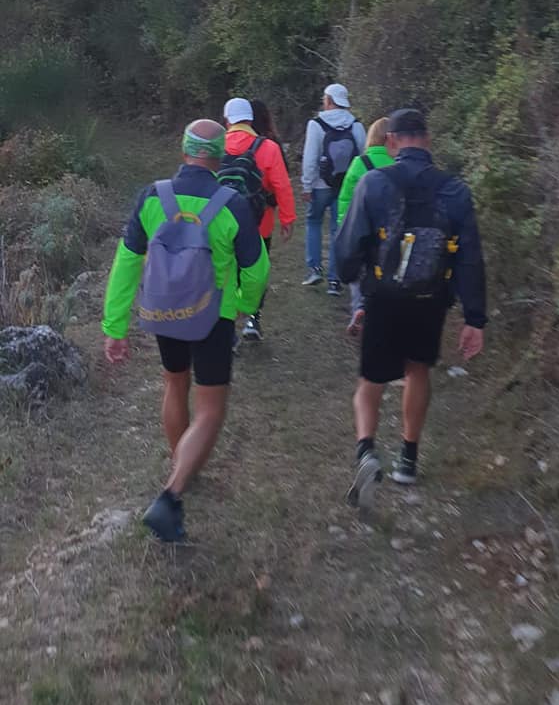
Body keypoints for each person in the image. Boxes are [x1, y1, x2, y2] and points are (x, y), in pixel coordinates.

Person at [102, 118, 269, 543]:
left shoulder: (151, 197)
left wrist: (115, 326)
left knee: (174, 385)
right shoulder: (232, 203)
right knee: (211, 410)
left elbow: (126, 264)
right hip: (213, 318)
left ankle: (182, 465)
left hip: (164, 314)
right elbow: (256, 269)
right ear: (218, 158)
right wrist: (245, 310)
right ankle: (172, 494)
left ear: (183, 150)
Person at [335, 107, 486, 507]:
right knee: (417, 370)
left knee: (371, 379)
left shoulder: (373, 182)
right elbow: (469, 258)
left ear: (390, 141)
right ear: (427, 139)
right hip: (430, 299)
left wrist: (350, 276)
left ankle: (366, 449)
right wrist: (475, 318)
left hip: (383, 297)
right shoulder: (454, 189)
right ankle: (408, 458)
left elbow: (349, 249)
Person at [223, 98, 296, 341]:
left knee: (227, 271)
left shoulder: (216, 144)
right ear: (250, 119)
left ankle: (228, 326)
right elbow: (282, 186)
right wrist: (288, 218)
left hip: (221, 223)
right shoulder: (268, 147)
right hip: (259, 222)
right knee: (256, 269)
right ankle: (252, 319)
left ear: (226, 120)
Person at [301, 83, 366, 295]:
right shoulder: (356, 125)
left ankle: (314, 269)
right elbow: (363, 157)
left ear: (329, 100)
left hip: (321, 184)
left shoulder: (316, 124)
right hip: (346, 185)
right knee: (339, 229)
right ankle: (334, 281)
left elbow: (310, 158)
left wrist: (307, 184)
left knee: (313, 221)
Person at [337, 116, 394, 337]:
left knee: (360, 274)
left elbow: (345, 198)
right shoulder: (398, 164)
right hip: (390, 231)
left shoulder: (360, 163)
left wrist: (344, 224)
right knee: (387, 272)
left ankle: (359, 309)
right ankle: (384, 314)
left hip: (361, 229)